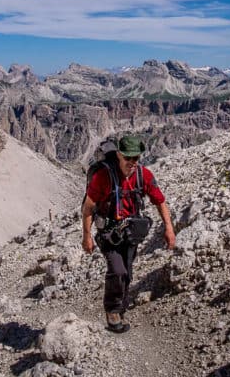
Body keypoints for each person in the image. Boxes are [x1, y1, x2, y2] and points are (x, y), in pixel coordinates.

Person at [81, 135, 176, 333]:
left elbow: (160, 201)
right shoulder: (103, 177)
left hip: (131, 233)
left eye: (136, 158)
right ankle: (113, 312)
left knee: (128, 273)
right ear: (118, 155)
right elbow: (88, 208)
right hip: (107, 232)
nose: (132, 163)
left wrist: (169, 227)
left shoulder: (144, 176)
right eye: (128, 158)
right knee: (118, 270)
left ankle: (120, 308)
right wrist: (87, 236)